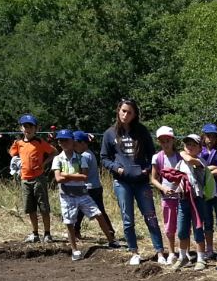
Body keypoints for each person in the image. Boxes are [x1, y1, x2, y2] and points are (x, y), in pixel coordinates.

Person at [101, 98, 165, 265]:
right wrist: (117, 168)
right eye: (123, 111)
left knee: (150, 217)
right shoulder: (109, 133)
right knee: (127, 219)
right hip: (122, 182)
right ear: (118, 111)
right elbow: (104, 158)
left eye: (129, 112)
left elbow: (152, 154)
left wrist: (147, 169)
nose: (125, 115)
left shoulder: (142, 131)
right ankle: (134, 252)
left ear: (134, 114)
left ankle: (159, 252)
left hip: (142, 181)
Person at [52, 129, 116, 261]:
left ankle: (111, 240)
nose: (63, 142)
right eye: (60, 140)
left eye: (66, 140)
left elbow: (84, 177)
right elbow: (58, 178)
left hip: (82, 194)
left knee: (98, 214)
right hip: (66, 195)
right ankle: (74, 250)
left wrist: (67, 175)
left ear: (72, 141)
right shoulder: (57, 159)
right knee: (69, 222)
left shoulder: (81, 157)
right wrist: (74, 176)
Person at [9, 113, 56, 243]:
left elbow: (54, 152)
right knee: (30, 208)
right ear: (21, 128)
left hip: (39, 178)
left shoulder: (40, 142)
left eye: (30, 126)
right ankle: (35, 233)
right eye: (25, 126)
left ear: (36, 129)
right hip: (25, 179)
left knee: (44, 207)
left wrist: (44, 163)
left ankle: (47, 233)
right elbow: (12, 154)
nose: (27, 129)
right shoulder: (18, 143)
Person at [72, 131, 118, 245]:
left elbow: (82, 173)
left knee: (82, 210)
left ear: (83, 143)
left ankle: (75, 231)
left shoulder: (84, 156)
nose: (73, 146)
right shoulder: (89, 153)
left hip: (88, 188)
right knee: (98, 211)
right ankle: (110, 232)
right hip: (96, 187)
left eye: (75, 144)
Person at [151, 126, 185, 265]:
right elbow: (153, 178)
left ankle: (184, 251)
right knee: (169, 226)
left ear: (173, 140)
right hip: (167, 197)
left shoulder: (181, 156)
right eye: (163, 141)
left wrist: (180, 188)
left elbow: (186, 176)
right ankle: (171, 252)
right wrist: (163, 188)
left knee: (183, 226)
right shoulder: (157, 157)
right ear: (159, 142)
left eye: (168, 140)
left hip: (182, 196)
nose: (166, 143)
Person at [179, 133, 210, 269]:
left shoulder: (200, 161)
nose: (190, 147)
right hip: (182, 199)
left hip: (197, 199)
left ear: (200, 148)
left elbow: (189, 160)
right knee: (182, 230)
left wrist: (181, 152)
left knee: (198, 228)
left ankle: (201, 259)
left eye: (193, 145)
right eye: (187, 144)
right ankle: (183, 257)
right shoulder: (180, 162)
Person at [200, 124, 217, 254]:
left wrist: (206, 169)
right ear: (204, 136)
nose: (211, 139)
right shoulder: (200, 151)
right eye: (208, 136)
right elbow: (198, 170)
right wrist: (212, 168)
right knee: (207, 221)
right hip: (205, 191)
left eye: (213, 136)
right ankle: (209, 249)